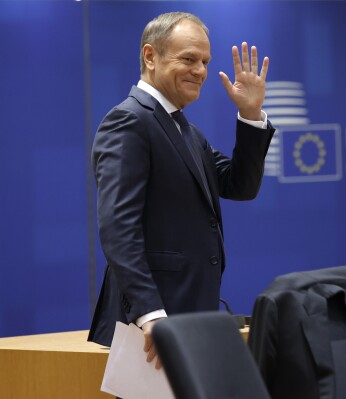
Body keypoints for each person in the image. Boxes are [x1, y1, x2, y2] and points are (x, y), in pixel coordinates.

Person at [88, 11, 275, 369]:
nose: (200, 70)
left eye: (205, 61)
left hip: (190, 316)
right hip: (151, 328)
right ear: (150, 56)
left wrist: (251, 114)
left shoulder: (186, 130)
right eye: (188, 59)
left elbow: (240, 185)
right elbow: (118, 227)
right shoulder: (128, 121)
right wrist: (150, 313)